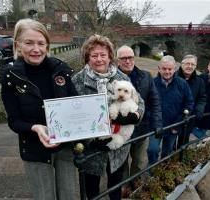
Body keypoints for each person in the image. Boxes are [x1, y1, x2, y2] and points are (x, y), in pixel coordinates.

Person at [0, 19, 78, 200]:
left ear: (47, 45)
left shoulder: (60, 70)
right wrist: (35, 128)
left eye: (41, 43)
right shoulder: (11, 77)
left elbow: (75, 105)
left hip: (65, 147)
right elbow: (14, 121)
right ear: (18, 45)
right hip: (34, 149)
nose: (36, 49)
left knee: (70, 196)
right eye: (29, 43)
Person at [71, 35, 145, 200]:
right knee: (91, 190)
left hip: (118, 149)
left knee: (115, 188)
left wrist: (135, 116)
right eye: (94, 55)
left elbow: (140, 102)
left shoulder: (122, 78)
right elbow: (72, 115)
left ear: (110, 56)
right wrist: (90, 141)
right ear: (87, 57)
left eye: (103, 55)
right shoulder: (77, 81)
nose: (99, 59)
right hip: (91, 150)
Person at [117, 45, 162, 195]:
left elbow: (155, 101)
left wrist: (157, 123)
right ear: (118, 60)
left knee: (139, 161)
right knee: (121, 162)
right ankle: (123, 186)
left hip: (142, 127)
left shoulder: (146, 76)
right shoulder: (113, 78)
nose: (127, 61)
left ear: (134, 58)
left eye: (130, 57)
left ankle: (135, 183)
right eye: (123, 58)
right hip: (120, 130)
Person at [147, 55, 194, 165]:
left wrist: (178, 124)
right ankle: (151, 169)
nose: (167, 71)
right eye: (164, 69)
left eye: (170, 69)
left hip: (173, 126)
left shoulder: (182, 84)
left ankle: (163, 170)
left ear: (175, 69)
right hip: (156, 127)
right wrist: (153, 122)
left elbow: (189, 103)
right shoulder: (152, 83)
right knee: (152, 150)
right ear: (159, 68)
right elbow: (147, 105)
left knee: (167, 152)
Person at [177, 54, 206, 146]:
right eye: (187, 63)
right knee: (170, 144)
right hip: (173, 117)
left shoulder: (199, 81)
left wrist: (199, 109)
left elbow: (202, 98)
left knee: (183, 143)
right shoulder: (173, 78)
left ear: (195, 66)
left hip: (189, 117)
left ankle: (180, 158)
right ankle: (169, 159)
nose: (189, 66)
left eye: (192, 64)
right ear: (181, 64)